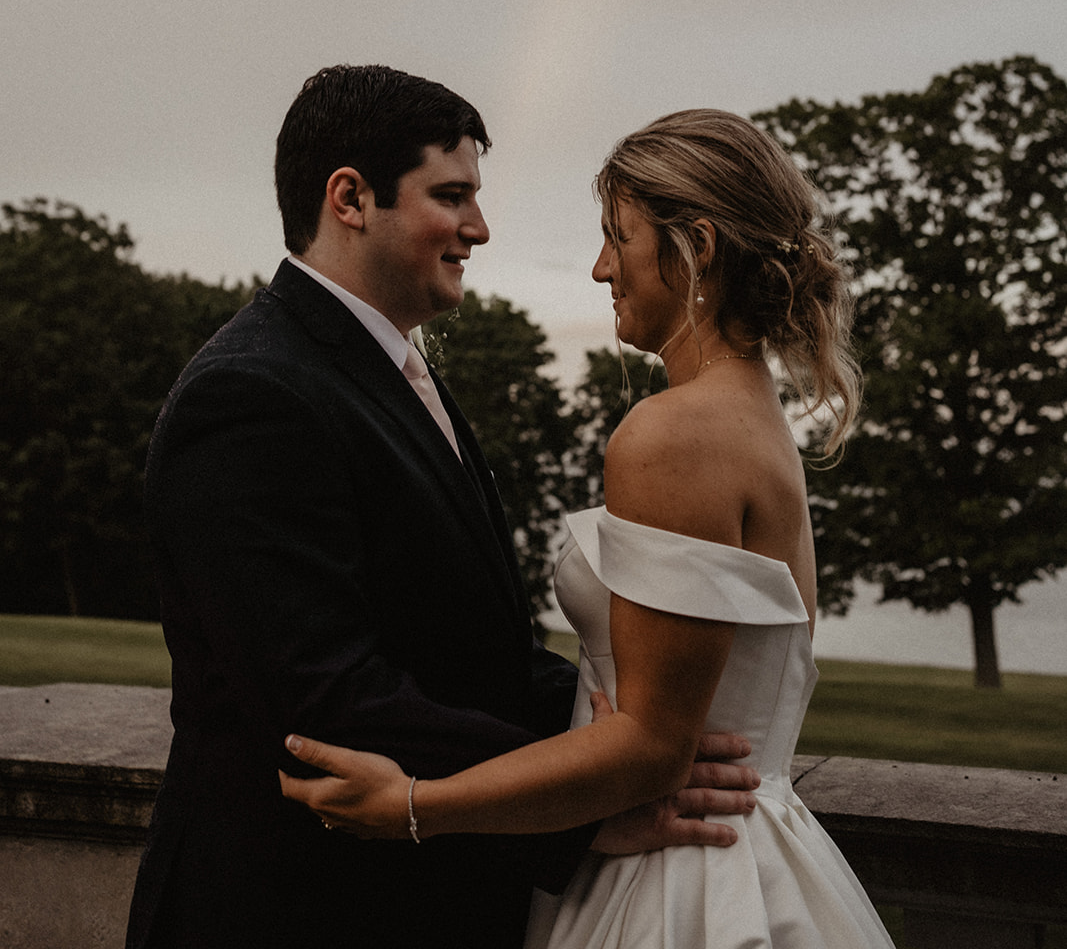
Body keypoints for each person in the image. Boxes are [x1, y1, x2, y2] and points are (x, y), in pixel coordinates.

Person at [125, 69, 757, 949]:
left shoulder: (389, 371)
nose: (480, 228)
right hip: (299, 910)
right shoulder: (250, 394)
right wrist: (580, 806)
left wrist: (625, 731)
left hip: (413, 901)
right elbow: (328, 698)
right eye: (451, 195)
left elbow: (471, 652)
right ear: (349, 198)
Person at [280, 107, 896, 949]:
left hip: (681, 882)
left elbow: (648, 748)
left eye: (619, 237)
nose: (602, 267)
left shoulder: (670, 432)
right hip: (739, 843)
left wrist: (413, 807)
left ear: (698, 249)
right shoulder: (754, 417)